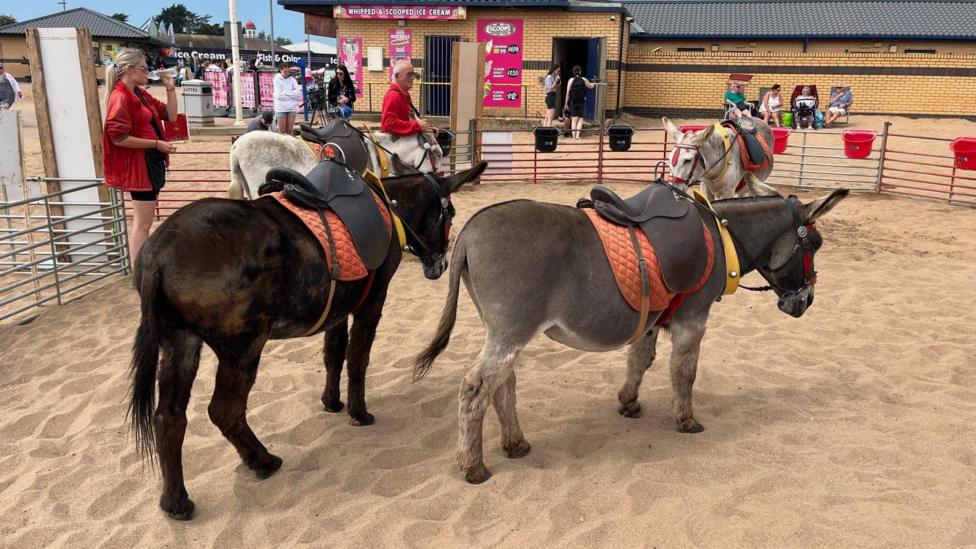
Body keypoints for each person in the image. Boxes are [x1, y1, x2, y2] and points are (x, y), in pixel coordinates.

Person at [101, 48, 178, 262]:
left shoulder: (139, 94)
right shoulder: (121, 97)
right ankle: (139, 272)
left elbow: (170, 115)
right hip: (139, 166)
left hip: (149, 162)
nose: (148, 72)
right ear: (128, 69)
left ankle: (141, 271)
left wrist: (170, 89)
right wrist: (156, 143)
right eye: (144, 68)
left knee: (144, 222)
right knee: (142, 224)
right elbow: (118, 137)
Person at [381, 60, 436, 139]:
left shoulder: (404, 95)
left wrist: (427, 128)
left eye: (413, 74)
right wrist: (417, 126)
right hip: (396, 147)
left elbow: (410, 118)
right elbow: (388, 124)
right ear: (397, 76)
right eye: (409, 75)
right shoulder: (393, 96)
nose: (413, 78)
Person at [563, 65, 595, 139]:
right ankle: (577, 136)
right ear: (580, 71)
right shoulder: (584, 79)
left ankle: (573, 137)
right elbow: (591, 86)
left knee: (574, 119)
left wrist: (565, 104)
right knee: (580, 119)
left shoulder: (570, 80)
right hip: (581, 101)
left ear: (573, 72)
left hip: (573, 102)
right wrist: (594, 83)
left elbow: (567, 93)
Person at [273, 62, 302, 134]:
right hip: (281, 108)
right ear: (280, 70)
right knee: (282, 130)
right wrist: (292, 94)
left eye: (288, 71)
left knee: (289, 130)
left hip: (292, 107)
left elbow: (298, 93)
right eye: (285, 71)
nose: (287, 73)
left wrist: (285, 93)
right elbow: (279, 96)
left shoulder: (293, 80)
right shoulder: (276, 79)